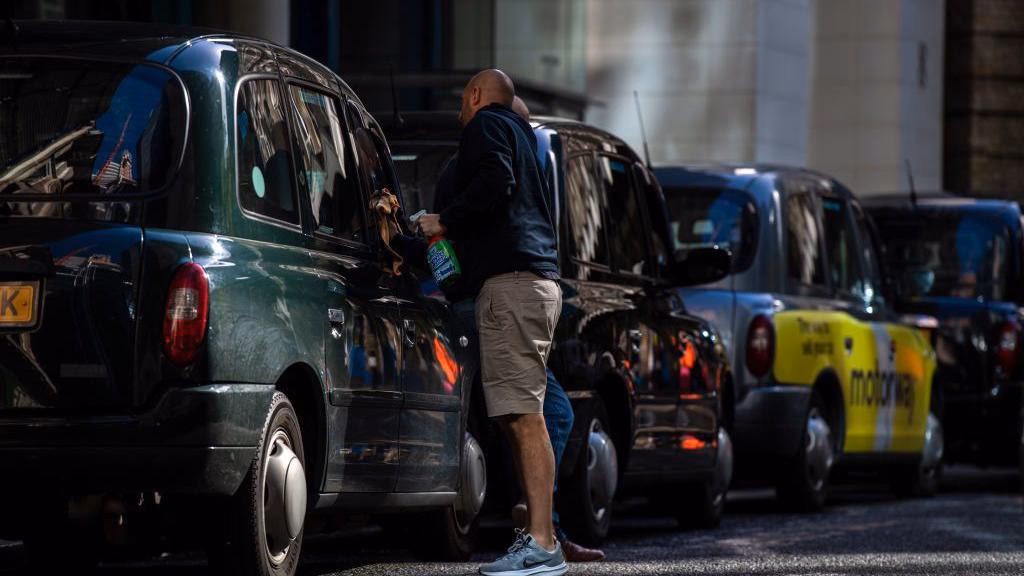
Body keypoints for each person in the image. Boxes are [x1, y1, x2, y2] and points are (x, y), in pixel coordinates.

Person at [417, 70, 566, 576]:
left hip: (513, 288)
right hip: (534, 285)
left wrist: (442, 222)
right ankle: (541, 540)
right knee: (523, 416)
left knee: (525, 418)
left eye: (463, 100)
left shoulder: (486, 127)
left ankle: (542, 544)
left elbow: (493, 183)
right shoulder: (524, 139)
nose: (462, 110)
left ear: (477, 96)